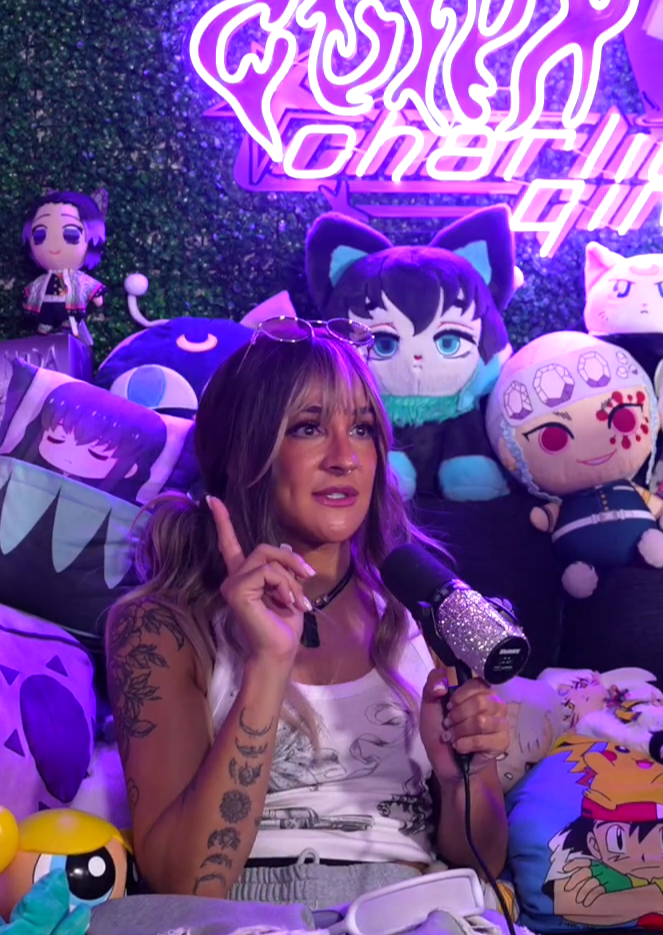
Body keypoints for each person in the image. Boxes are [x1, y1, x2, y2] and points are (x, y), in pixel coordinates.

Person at [103, 318, 515, 905]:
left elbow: (484, 860)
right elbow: (184, 883)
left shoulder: (421, 613)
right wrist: (268, 664)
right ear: (245, 452)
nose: (346, 458)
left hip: (412, 903)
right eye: (308, 428)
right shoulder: (161, 625)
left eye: (363, 429)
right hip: (248, 908)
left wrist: (459, 780)